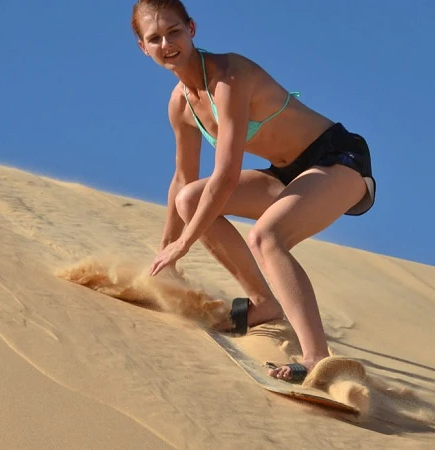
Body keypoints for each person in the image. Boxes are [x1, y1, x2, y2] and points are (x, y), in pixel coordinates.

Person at [134, 0, 376, 382]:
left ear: (192, 29)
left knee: (266, 237)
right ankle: (263, 303)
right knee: (188, 200)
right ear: (142, 47)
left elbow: (226, 176)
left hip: (338, 160)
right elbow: (183, 178)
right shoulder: (180, 105)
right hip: (286, 175)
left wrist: (184, 245)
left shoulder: (228, 77)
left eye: (174, 31)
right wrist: (167, 254)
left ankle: (317, 358)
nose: (167, 43)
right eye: (155, 38)